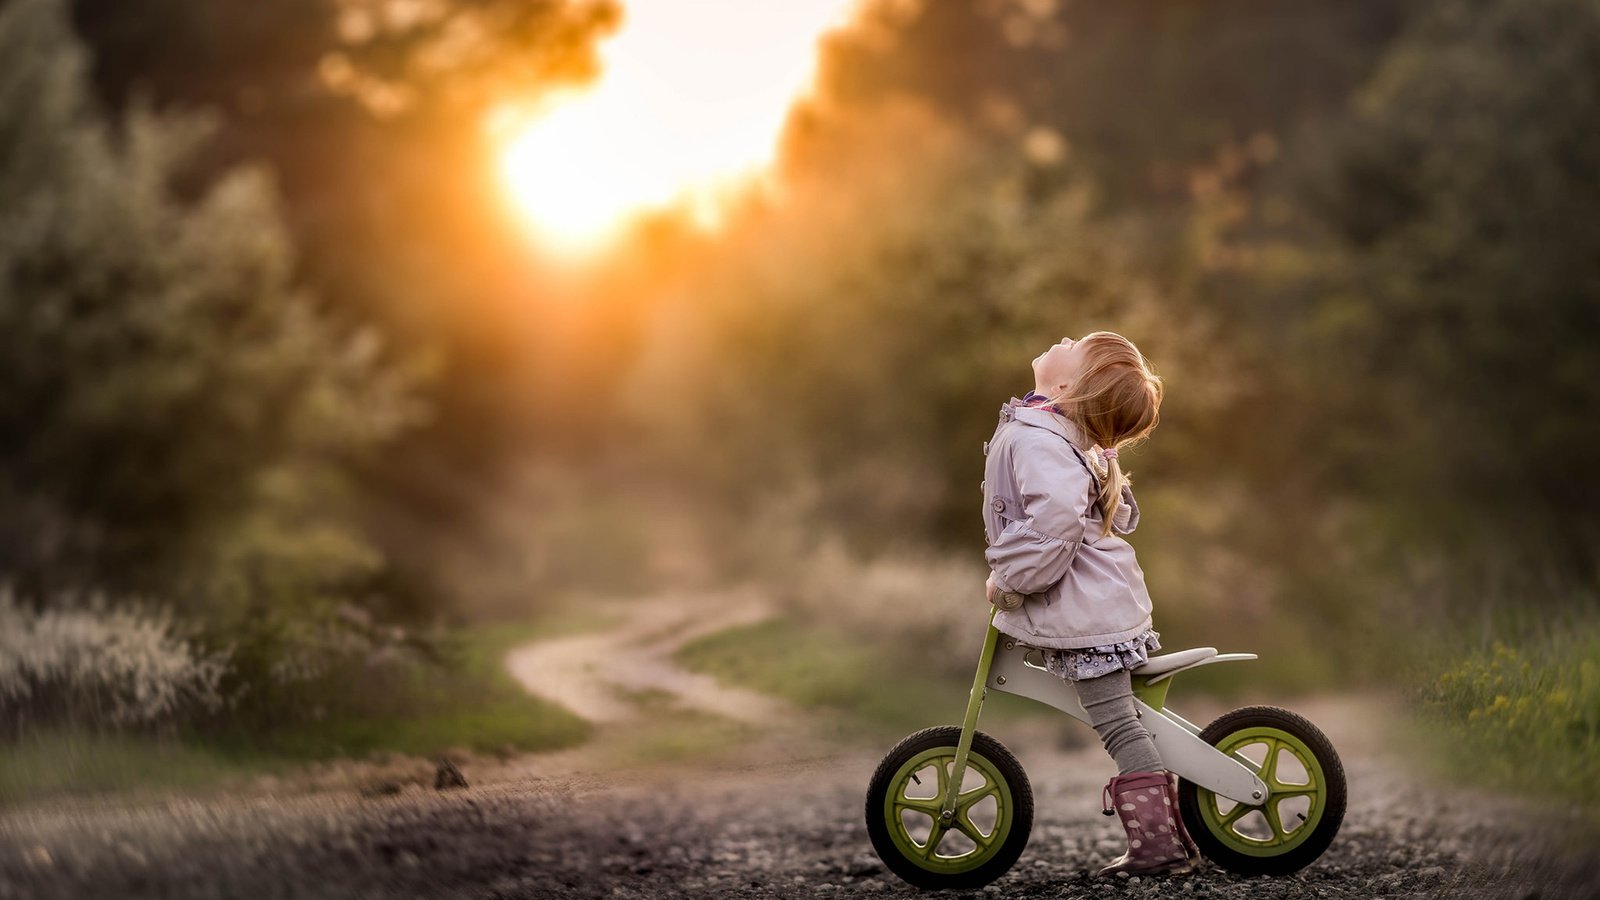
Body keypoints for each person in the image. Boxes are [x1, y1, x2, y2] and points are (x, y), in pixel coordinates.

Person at [980, 331, 1200, 877]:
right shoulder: (1052, 432)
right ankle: (1174, 836)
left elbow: (1054, 524)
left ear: (1065, 385)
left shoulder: (1041, 439)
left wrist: (1011, 580)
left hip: (1087, 617)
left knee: (1120, 726)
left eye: (1074, 344)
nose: (1063, 337)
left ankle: (1159, 848)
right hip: (1097, 606)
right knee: (1129, 720)